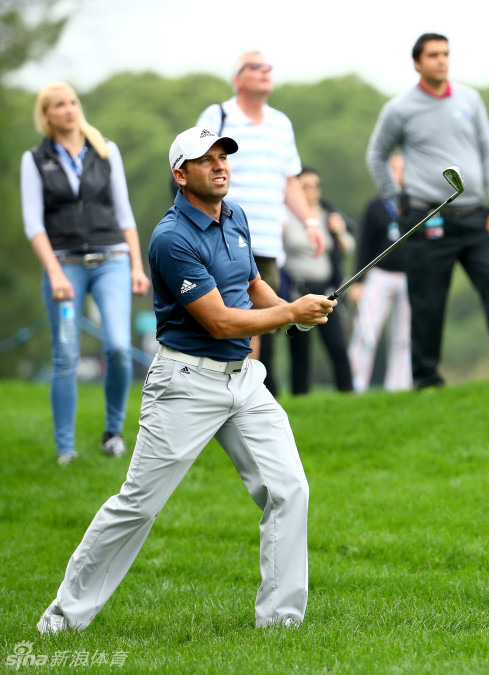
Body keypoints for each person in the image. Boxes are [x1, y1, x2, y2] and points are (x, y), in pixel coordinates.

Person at [36, 126, 336, 634]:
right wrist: (290, 315)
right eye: (207, 159)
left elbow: (250, 283)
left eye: (224, 156)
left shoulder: (235, 216)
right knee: (138, 505)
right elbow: (218, 320)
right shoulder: (171, 239)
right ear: (181, 174)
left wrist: (290, 310)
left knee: (289, 488)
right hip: (185, 384)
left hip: (243, 380)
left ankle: (281, 622)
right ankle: (63, 618)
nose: (220, 165)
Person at [366, 33, 489, 389]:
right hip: (428, 217)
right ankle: (427, 379)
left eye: (445, 54)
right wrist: (397, 199)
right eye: (433, 55)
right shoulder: (400, 108)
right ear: (417, 62)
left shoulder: (470, 99)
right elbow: (377, 156)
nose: (441, 61)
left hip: (476, 215)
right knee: (427, 303)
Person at [20, 82, 151, 465]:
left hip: (111, 259)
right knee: (66, 355)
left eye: (72, 102)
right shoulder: (36, 159)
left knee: (117, 347)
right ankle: (65, 449)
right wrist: (55, 273)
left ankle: (113, 433)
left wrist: (136, 265)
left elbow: (124, 212)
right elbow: (34, 224)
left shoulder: (106, 151)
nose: (68, 110)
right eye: (58, 105)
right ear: (46, 115)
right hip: (65, 267)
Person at [196, 50, 325, 391]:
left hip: (266, 240)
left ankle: (244, 395)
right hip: (221, 235)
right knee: (226, 318)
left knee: (258, 322)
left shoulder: (281, 123)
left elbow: (289, 181)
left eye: (268, 67)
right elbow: (197, 167)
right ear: (238, 78)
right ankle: (220, 392)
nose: (265, 72)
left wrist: (310, 222)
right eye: (255, 67)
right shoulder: (218, 114)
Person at [283, 167, 356, 394]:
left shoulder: (328, 213)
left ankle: (348, 394)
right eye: (305, 186)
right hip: (299, 288)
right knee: (300, 350)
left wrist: (341, 231)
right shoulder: (286, 215)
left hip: (326, 291)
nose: (312, 191)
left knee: (337, 345)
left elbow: (348, 247)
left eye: (316, 186)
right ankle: (300, 396)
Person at [348, 154, 412, 393]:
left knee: (405, 336)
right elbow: (364, 246)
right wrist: (358, 281)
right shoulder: (376, 206)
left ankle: (399, 386)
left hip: (409, 277)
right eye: (396, 169)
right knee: (367, 332)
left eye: (404, 169)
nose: (400, 174)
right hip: (379, 275)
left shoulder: (415, 205)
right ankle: (355, 384)